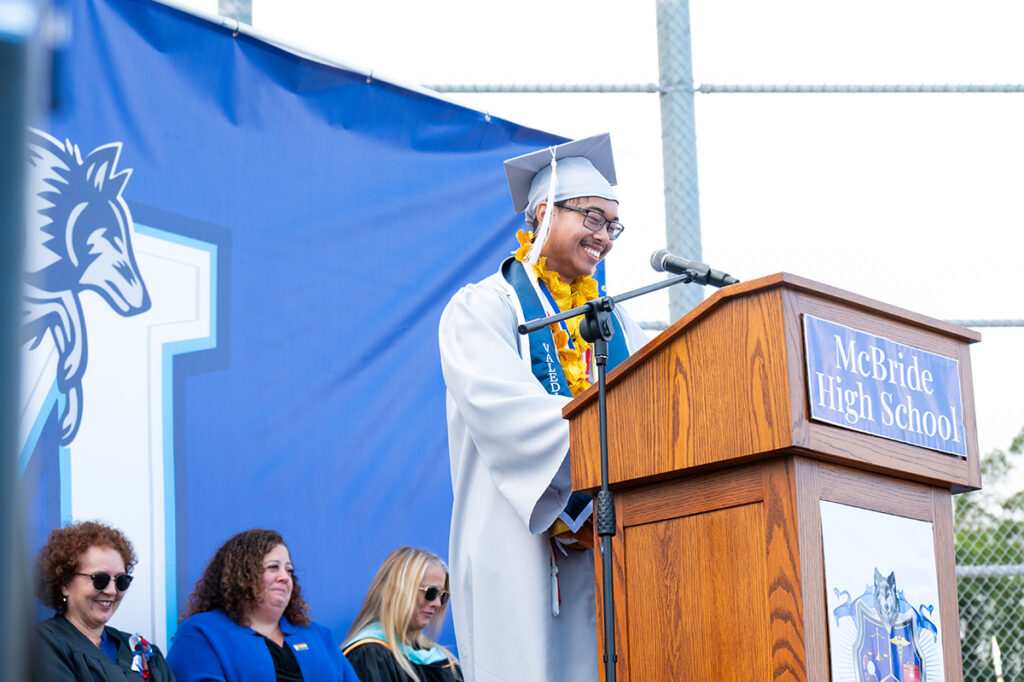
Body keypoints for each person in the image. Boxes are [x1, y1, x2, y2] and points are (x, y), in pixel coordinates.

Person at [438, 133, 648, 681]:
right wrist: (606, 453)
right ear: (542, 213)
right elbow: (508, 415)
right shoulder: (483, 309)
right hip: (518, 544)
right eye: (592, 218)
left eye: (613, 225)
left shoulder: (618, 322)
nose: (604, 237)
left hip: (613, 546)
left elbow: (655, 403)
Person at [166, 528, 360, 682]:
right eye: (273, 567)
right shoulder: (201, 633)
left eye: (289, 570)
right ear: (240, 574)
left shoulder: (319, 636)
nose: (284, 577)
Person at [32, 520, 175, 681]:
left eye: (121, 581)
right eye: (100, 579)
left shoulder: (141, 651)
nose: (112, 591)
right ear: (65, 583)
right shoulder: (40, 645)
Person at [342, 547, 461, 682]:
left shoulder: (442, 661)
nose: (438, 604)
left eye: (442, 596)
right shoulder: (368, 654)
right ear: (399, 591)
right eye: (431, 592)